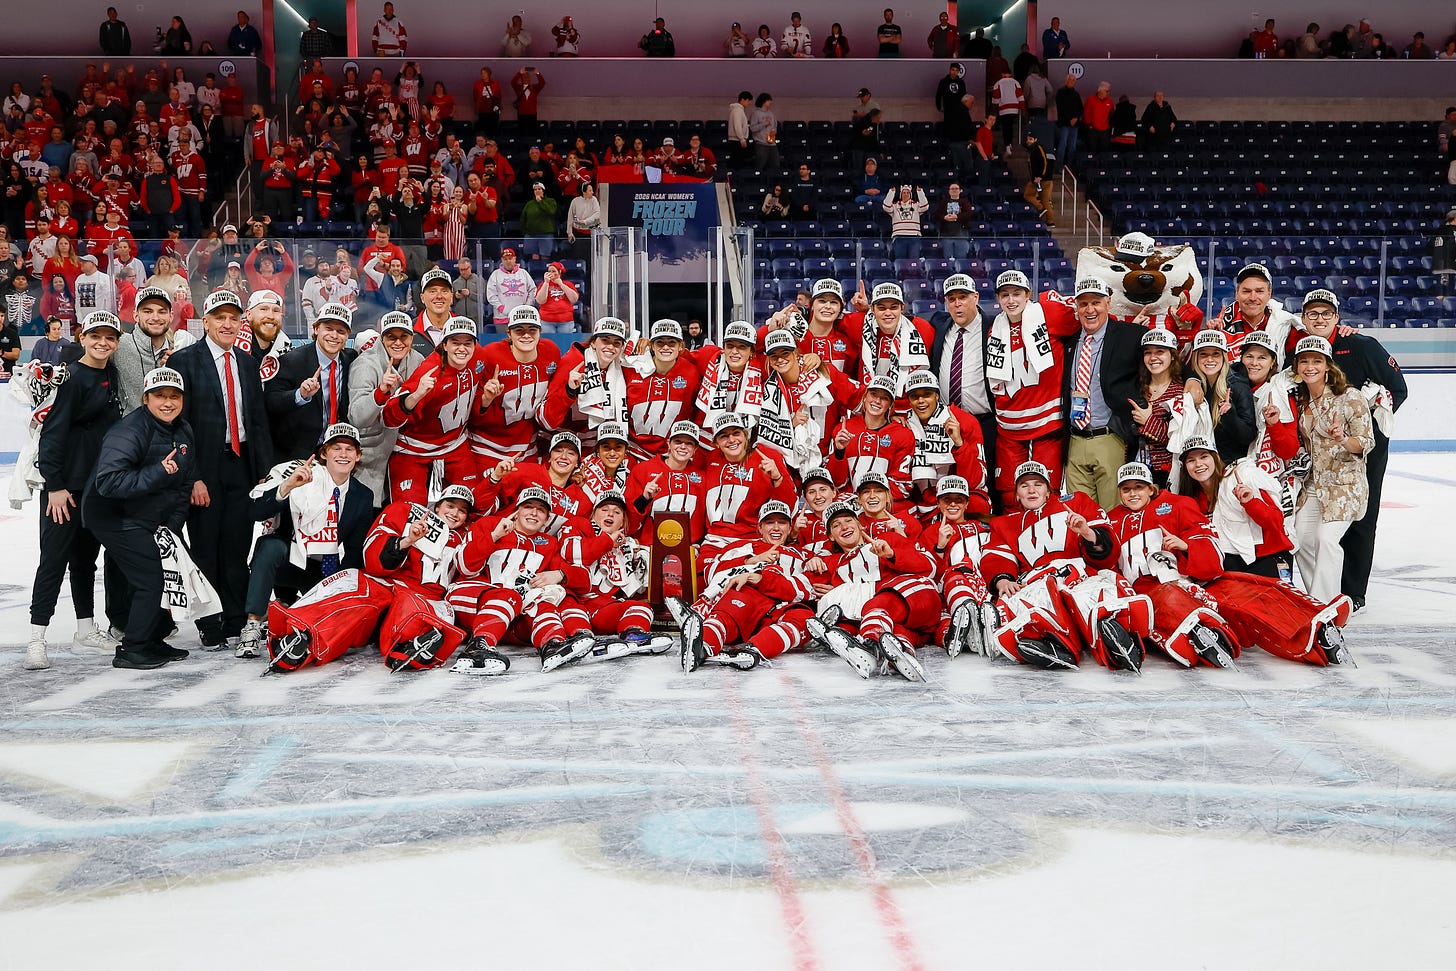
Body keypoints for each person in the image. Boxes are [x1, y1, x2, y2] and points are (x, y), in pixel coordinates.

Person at [1175, 436, 1353, 664]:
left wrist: (1251, 501)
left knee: (1271, 604)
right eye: (1191, 460)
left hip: (1269, 554)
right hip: (1233, 560)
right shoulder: (1191, 500)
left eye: (1204, 457)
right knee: (1241, 616)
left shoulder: (1241, 476)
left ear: (1215, 458)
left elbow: (1274, 521)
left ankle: (1319, 628)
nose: (1198, 464)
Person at [168, 289, 275, 652]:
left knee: (236, 544)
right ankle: (209, 620)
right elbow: (178, 426)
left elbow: (257, 420)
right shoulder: (184, 361)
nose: (227, 324)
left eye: (234, 318)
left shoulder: (246, 362)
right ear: (207, 322)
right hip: (205, 468)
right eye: (220, 318)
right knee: (205, 546)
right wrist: (193, 475)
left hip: (241, 464)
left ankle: (234, 616)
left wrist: (264, 472)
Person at [980, 460, 1150, 671]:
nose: (1032, 490)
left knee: (1092, 594)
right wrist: (1002, 578)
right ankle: (1054, 646)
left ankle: (1116, 639)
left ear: (1049, 490)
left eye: (1038, 484)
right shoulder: (1004, 524)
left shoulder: (1076, 503)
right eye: (1024, 486)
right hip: (1038, 581)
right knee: (1028, 600)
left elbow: (1108, 552)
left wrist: (1087, 532)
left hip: (1078, 574)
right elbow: (995, 556)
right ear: (1016, 494)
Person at [25, 311, 124, 670]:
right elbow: (51, 435)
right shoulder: (69, 378)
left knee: (85, 560)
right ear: (82, 337)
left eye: (109, 338)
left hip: (95, 489)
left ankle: (85, 628)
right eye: (95, 336)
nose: (102, 343)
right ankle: (37, 636)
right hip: (64, 489)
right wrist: (55, 486)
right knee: (53, 560)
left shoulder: (111, 375)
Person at [83, 366, 195, 669]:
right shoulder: (129, 430)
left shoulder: (183, 430)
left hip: (149, 518)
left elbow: (185, 484)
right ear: (146, 399)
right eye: (160, 396)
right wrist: (158, 472)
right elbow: (107, 483)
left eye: (174, 396)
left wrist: (170, 527)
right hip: (114, 516)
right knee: (150, 580)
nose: (168, 402)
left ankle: (152, 638)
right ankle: (132, 649)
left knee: (159, 576)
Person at [237, 421, 376, 660]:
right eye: (336, 448)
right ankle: (252, 625)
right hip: (288, 559)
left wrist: (338, 590)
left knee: (334, 626)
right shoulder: (300, 474)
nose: (343, 454)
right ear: (324, 453)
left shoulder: (363, 495)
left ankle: (286, 612)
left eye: (349, 449)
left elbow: (354, 550)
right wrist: (287, 486)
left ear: (358, 456)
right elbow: (255, 512)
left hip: (323, 568)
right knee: (269, 546)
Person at [1105, 462, 1240, 669]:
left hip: (1178, 586)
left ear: (1151, 488)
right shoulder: (1112, 518)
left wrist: (1187, 546)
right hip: (1136, 594)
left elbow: (1211, 551)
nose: (1132, 494)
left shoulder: (1178, 504)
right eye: (1126, 489)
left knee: (1240, 593)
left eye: (1139, 487)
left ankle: (1206, 632)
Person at [675, 499, 818, 673]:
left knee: (806, 618)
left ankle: (753, 651)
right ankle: (702, 646)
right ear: (759, 527)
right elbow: (711, 572)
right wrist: (751, 560)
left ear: (789, 528)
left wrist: (763, 579)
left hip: (780, 606)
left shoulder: (803, 554)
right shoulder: (743, 546)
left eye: (781, 523)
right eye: (769, 523)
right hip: (745, 602)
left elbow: (808, 589)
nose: (775, 528)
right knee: (739, 595)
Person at [802, 500, 939, 681]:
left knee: (888, 594)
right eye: (836, 525)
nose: (844, 527)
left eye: (849, 521)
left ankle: (869, 644)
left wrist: (892, 555)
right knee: (892, 632)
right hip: (901, 625)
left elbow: (930, 568)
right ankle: (901, 651)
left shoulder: (889, 539)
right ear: (831, 537)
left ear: (860, 525)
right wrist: (809, 563)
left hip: (918, 600)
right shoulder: (831, 563)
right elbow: (803, 585)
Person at [1290, 334, 1374, 603]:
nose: (1310, 367)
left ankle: (1323, 608)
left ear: (1328, 365)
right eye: (1304, 361)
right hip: (1313, 486)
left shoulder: (1350, 397)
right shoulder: (1301, 399)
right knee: (1299, 540)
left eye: (1317, 361)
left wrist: (1342, 439)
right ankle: (1321, 599)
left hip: (1344, 486)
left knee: (1326, 540)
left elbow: (1365, 443)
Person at [382, 317, 488, 503]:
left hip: (455, 445)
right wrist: (416, 395)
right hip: (413, 450)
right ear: (444, 345)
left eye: (467, 343)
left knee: (471, 504)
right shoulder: (429, 372)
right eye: (455, 342)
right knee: (409, 513)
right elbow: (388, 418)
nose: (462, 349)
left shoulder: (478, 356)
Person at [265, 303, 356, 463]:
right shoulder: (292, 360)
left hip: (334, 451)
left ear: (347, 336)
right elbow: (271, 401)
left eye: (341, 331)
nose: (334, 335)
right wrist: (300, 395)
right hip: (295, 452)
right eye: (328, 328)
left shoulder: (350, 359)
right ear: (316, 329)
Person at [346, 312, 422, 502]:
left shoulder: (418, 360)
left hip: (405, 451)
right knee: (367, 513)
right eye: (391, 337)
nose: (398, 342)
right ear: (382, 338)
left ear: (412, 338)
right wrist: (380, 392)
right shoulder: (365, 364)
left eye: (403, 336)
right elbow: (357, 417)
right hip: (370, 455)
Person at [113, 285, 195, 412]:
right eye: (147, 311)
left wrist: (179, 362)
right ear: (136, 315)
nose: (155, 317)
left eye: (162, 312)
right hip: (130, 428)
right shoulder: (119, 344)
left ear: (171, 316)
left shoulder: (180, 350)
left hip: (169, 429)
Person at [1128, 328, 1184, 488]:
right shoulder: (1136, 387)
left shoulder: (1181, 391)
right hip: (1134, 468)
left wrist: (1149, 421)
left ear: (1172, 356)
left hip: (1166, 472)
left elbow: (1179, 439)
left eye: (1160, 351)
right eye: (1147, 352)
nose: (1153, 358)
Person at [486, 247, 535, 330]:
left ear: (514, 258)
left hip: (522, 317)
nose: (508, 261)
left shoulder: (523, 273)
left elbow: (533, 290)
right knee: (504, 342)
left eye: (510, 258)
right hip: (502, 318)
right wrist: (501, 308)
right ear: (502, 260)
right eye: (505, 259)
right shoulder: (495, 274)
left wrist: (527, 306)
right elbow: (491, 295)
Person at [883, 185, 929, 261]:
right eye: (904, 192)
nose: (906, 194)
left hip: (914, 236)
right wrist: (891, 192)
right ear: (901, 195)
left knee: (913, 260)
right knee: (900, 260)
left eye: (908, 193)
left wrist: (920, 192)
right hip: (899, 236)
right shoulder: (895, 205)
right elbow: (886, 206)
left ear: (910, 195)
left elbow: (925, 206)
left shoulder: (916, 205)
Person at [932, 182, 973, 261]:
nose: (954, 190)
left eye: (956, 188)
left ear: (960, 191)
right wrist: (944, 217)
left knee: (961, 259)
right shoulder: (944, 202)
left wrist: (957, 216)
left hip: (961, 235)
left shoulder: (965, 202)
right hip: (946, 235)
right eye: (952, 189)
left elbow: (969, 213)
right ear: (949, 191)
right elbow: (937, 215)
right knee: (947, 259)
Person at [1022, 131, 1055, 226]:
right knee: (1045, 199)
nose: (1028, 141)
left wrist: (1040, 176)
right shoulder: (1033, 148)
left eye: (1031, 139)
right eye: (1028, 139)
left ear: (1035, 140)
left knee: (1028, 195)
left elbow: (1044, 163)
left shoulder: (1038, 148)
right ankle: (1050, 221)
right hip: (1040, 178)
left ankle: (1041, 209)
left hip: (1040, 179)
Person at [936, 62, 973, 144]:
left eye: (956, 70)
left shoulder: (961, 82)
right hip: (948, 108)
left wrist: (964, 108)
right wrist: (939, 107)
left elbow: (964, 96)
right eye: (953, 70)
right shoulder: (943, 82)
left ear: (959, 71)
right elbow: (938, 95)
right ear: (950, 70)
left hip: (959, 110)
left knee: (958, 128)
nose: (954, 72)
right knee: (948, 128)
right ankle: (948, 146)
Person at [1053, 74, 1082, 167]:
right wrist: (1070, 118)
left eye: (1074, 80)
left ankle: (1069, 167)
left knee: (1072, 146)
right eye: (1070, 80)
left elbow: (1081, 108)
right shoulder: (1060, 92)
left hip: (1075, 124)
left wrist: (1076, 118)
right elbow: (1060, 107)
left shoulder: (1076, 94)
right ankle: (1059, 166)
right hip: (1064, 123)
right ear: (1066, 81)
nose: (1072, 82)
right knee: (1062, 144)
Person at [750, 93, 779, 171]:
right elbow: (752, 128)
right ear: (763, 101)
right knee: (760, 165)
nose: (770, 102)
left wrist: (774, 131)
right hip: (761, 144)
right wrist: (764, 124)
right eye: (768, 100)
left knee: (775, 165)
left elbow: (774, 126)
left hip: (772, 143)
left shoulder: (771, 114)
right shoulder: (755, 113)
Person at [1082, 81, 1113, 154]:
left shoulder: (1109, 101)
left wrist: (1109, 126)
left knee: (1104, 151)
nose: (1108, 93)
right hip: (1093, 130)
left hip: (1105, 131)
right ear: (1101, 91)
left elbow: (1112, 114)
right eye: (1107, 91)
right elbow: (1086, 113)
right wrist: (1089, 126)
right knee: (1092, 151)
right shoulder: (1091, 99)